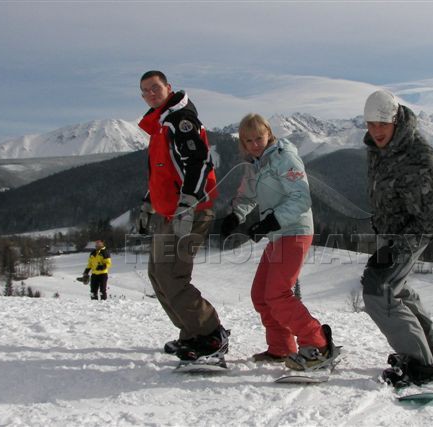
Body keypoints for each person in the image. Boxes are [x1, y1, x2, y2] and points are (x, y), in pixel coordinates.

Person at [220, 113, 337, 371]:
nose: (255, 144)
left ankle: (318, 344)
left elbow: (301, 198)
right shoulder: (254, 164)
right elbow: (247, 196)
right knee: (261, 295)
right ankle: (281, 348)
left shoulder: (284, 157)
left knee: (277, 293)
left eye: (259, 138)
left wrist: (271, 221)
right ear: (242, 142)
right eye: (248, 140)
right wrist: (235, 216)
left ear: (269, 134)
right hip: (278, 234)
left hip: (295, 231)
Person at [360, 90, 433, 387]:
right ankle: (429, 349)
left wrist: (398, 249)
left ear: (396, 120)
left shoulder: (417, 154)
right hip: (389, 234)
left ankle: (421, 366)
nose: (376, 131)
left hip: (411, 235)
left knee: (379, 291)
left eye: (382, 124)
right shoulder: (377, 147)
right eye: (371, 124)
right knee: (396, 290)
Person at [136, 70, 228, 362]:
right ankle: (192, 333)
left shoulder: (180, 120)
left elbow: (199, 162)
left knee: (172, 275)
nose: (150, 94)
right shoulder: (161, 125)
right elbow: (163, 173)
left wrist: (187, 203)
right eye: (145, 91)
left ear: (168, 87)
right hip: (170, 213)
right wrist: (148, 205)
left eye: (155, 87)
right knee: (158, 274)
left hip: (190, 212)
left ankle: (211, 335)